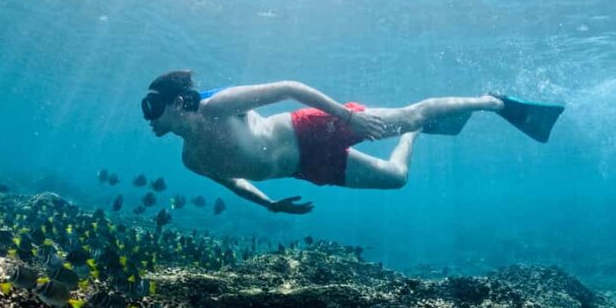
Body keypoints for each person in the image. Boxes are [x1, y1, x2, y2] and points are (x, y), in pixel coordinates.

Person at [142, 71, 564, 215]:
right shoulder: (190, 158)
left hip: (310, 129)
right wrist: (268, 205)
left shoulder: (218, 106)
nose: (148, 119)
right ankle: (417, 135)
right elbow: (231, 181)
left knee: (409, 114)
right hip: (304, 169)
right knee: (396, 178)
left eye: (151, 107)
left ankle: (494, 102)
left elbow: (288, 87)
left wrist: (347, 116)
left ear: (178, 103)